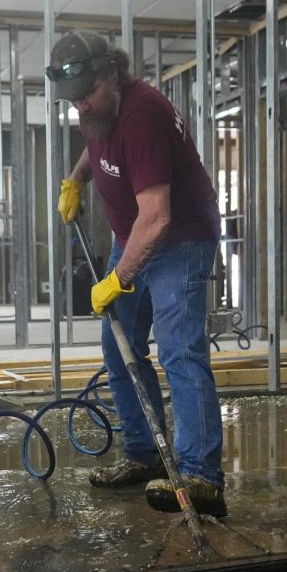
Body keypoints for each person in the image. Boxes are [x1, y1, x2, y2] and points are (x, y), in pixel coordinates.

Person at [46, 30, 227, 518]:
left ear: (112, 73)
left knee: (180, 352)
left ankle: (201, 476)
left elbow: (158, 217)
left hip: (179, 239)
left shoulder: (142, 113)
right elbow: (96, 142)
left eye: (86, 95)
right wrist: (76, 178)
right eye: (74, 100)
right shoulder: (96, 108)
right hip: (135, 237)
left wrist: (118, 278)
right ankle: (145, 455)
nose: (81, 107)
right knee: (118, 346)